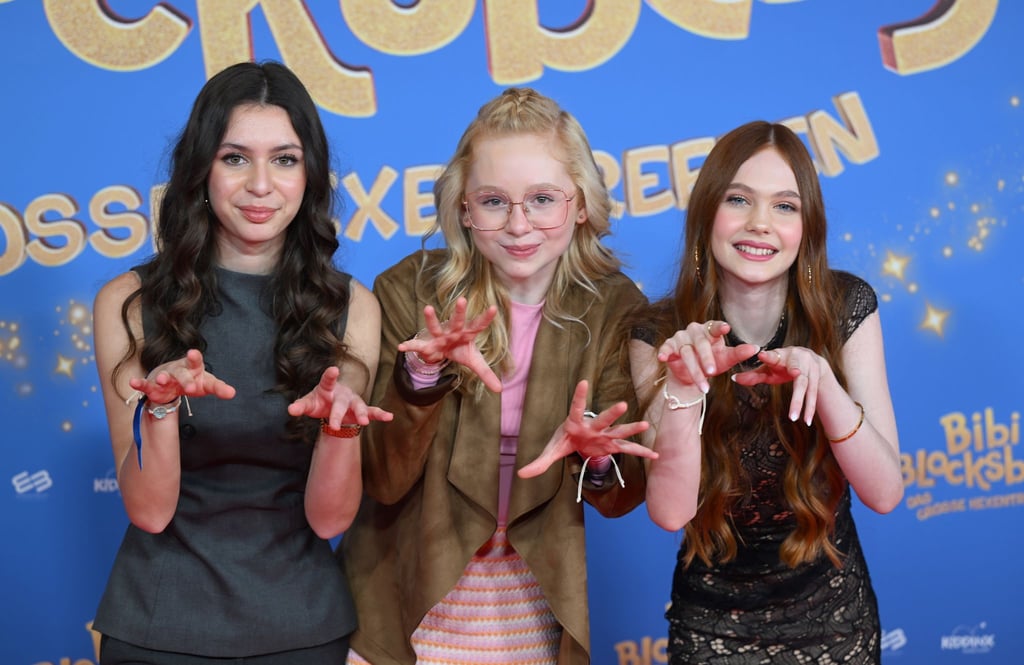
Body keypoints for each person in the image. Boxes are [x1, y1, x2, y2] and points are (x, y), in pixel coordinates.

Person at [338, 87, 656, 665]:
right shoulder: (409, 292)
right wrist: (421, 378)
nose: (518, 225)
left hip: (531, 610)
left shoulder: (617, 306)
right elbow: (379, 480)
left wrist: (600, 456)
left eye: (542, 199)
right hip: (396, 605)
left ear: (580, 203)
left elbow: (623, 497)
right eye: (493, 201)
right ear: (463, 208)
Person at [91, 61, 390, 664]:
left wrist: (339, 431)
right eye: (235, 158)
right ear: (201, 169)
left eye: (284, 159)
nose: (261, 185)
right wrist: (162, 408)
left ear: (310, 175)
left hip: (303, 626)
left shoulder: (352, 308)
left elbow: (330, 519)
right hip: (158, 624)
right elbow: (149, 511)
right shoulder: (128, 303)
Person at [630, 120, 903, 664]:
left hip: (835, 626)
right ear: (708, 213)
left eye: (785, 206)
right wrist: (683, 389)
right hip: (710, 630)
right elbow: (669, 512)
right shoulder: (658, 333)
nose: (760, 225)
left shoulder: (846, 306)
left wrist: (825, 386)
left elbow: (886, 493)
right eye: (739, 200)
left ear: (808, 227)